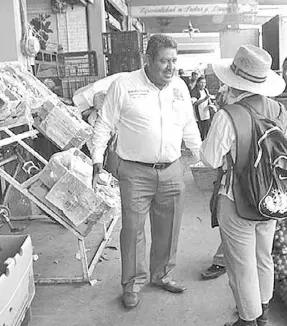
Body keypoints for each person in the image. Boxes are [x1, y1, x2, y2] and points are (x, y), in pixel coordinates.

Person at [90, 34, 202, 310]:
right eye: (164, 61)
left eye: (174, 60)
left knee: (170, 226)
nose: (170, 67)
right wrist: (96, 160)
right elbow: (104, 124)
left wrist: (203, 159)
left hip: (173, 170)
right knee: (132, 230)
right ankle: (131, 284)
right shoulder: (124, 86)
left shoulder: (179, 87)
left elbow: (189, 126)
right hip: (135, 172)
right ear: (148, 61)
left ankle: (161, 274)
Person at [200, 44, 287, 326]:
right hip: (272, 197)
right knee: (264, 256)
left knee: (241, 265)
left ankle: (248, 320)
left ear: (233, 82)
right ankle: (264, 313)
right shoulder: (278, 110)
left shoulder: (228, 115)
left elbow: (210, 157)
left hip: (236, 199)